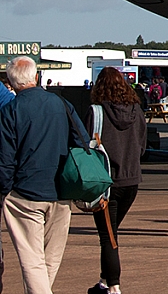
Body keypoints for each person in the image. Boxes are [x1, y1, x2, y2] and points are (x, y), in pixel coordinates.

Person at [0, 56, 85, 294]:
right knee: (50, 258)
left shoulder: (10, 110)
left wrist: (5, 191)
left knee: (32, 260)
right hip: (61, 190)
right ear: (37, 77)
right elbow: (82, 141)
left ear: (11, 82)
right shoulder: (61, 104)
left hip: (25, 193)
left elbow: (5, 160)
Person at [86, 67, 147, 294]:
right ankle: (104, 281)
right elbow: (142, 147)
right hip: (131, 182)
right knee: (111, 232)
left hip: (106, 184)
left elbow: (86, 146)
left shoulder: (96, 112)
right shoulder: (137, 111)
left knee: (108, 237)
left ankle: (113, 286)